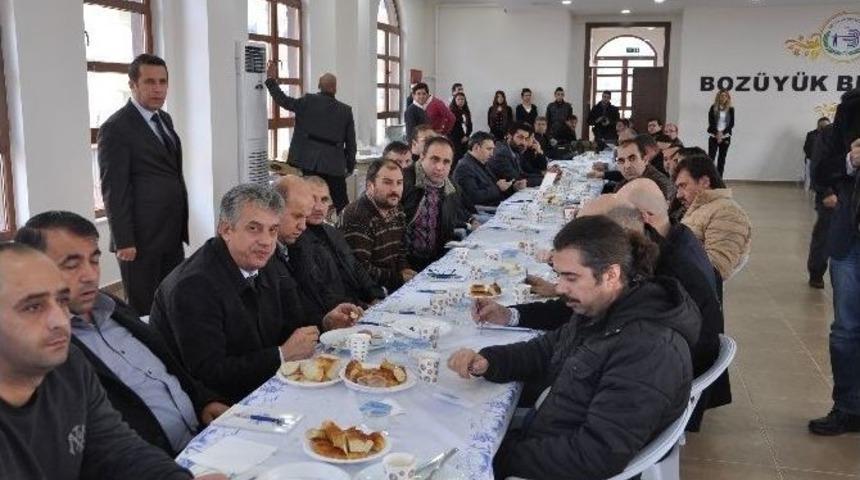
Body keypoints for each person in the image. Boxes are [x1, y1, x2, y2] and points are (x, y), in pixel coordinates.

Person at [450, 215, 699, 479]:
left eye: (570, 277)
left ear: (611, 275)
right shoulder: (605, 307)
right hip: (548, 430)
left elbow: (595, 456)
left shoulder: (649, 350)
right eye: (559, 276)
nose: (559, 287)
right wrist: (488, 362)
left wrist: (494, 455)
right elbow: (547, 349)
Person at [0, 244, 221, 480]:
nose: (59, 320)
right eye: (33, 307)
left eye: (62, 301)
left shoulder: (71, 365)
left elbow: (120, 450)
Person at [150, 184, 354, 403]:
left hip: (264, 384)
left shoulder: (265, 263)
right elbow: (209, 373)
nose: (266, 241)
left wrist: (325, 323)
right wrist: (281, 355)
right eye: (254, 228)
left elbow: (291, 322)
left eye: (273, 230)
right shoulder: (194, 286)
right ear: (226, 230)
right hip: (217, 405)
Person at [98, 53, 188, 316]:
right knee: (144, 307)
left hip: (170, 231)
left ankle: (172, 350)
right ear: (133, 85)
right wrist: (124, 239)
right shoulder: (116, 128)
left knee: (171, 297)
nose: (158, 88)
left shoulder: (164, 120)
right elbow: (114, 188)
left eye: (163, 82)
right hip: (140, 238)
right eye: (150, 82)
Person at [809, 88, 860, 436]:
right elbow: (822, 169)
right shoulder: (846, 116)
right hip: (849, 239)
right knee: (845, 330)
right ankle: (848, 407)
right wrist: (850, 162)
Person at [272, 176, 363, 329]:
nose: (302, 226)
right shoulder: (263, 256)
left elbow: (308, 302)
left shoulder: (297, 244)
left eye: (305, 218)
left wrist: (326, 321)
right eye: (297, 216)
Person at [264, 65, 356, 213]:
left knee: (308, 200)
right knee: (341, 204)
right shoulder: (345, 111)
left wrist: (270, 80)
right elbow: (351, 142)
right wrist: (350, 166)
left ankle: (308, 231)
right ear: (335, 89)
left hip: (309, 162)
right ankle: (345, 232)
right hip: (334, 165)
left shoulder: (307, 101)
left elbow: (283, 101)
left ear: (319, 86)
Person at [302, 176, 386, 306]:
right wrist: (363, 307)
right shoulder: (298, 240)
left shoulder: (331, 231)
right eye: (312, 200)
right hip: (339, 311)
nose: (319, 207)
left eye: (324, 200)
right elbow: (325, 292)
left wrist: (376, 296)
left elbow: (356, 267)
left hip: (360, 301)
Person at [339, 159, 416, 292]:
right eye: (387, 182)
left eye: (399, 183)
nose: (394, 189)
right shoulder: (357, 216)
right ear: (370, 186)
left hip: (391, 286)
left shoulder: (397, 208)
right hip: (367, 294)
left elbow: (401, 251)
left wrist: (405, 269)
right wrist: (399, 278)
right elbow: (360, 270)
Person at [675, 154, 752, 282]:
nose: (678, 195)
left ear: (705, 182)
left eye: (683, 186)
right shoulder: (701, 208)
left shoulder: (728, 213)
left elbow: (717, 269)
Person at [401, 137, 472, 270]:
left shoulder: (452, 189)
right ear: (422, 156)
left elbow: (448, 226)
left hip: (437, 261)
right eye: (434, 159)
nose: (440, 167)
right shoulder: (402, 182)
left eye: (446, 162)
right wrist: (402, 266)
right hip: (406, 263)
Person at [453, 131, 517, 208]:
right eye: (489, 149)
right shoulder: (464, 167)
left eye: (492, 149)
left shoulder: (482, 162)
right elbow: (474, 197)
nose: (492, 154)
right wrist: (498, 188)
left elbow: (492, 186)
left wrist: (512, 187)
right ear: (476, 147)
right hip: (481, 212)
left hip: (495, 206)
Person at [806, 117, 834, 288]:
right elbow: (818, 165)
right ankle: (816, 272)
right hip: (832, 197)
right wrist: (826, 191)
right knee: (824, 236)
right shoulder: (830, 133)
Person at [489, 123, 544, 188]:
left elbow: (522, 173)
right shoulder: (501, 153)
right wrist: (545, 179)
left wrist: (546, 176)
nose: (523, 142)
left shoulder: (515, 149)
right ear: (509, 136)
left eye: (526, 139)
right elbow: (517, 179)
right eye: (520, 137)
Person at [708, 89, 736, 176]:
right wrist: (717, 133)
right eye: (721, 95)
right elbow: (711, 122)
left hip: (725, 136)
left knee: (722, 159)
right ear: (718, 97)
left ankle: (719, 179)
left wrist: (722, 133)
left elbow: (731, 124)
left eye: (725, 96)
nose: (723, 97)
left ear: (728, 98)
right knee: (711, 158)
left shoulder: (731, 109)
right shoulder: (713, 108)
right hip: (714, 136)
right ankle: (710, 179)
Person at [448, 92, 473, 167]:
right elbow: (451, 127)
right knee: (456, 157)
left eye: (462, 99)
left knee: (465, 157)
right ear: (455, 100)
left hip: (465, 138)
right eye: (458, 99)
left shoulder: (466, 111)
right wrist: (459, 138)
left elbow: (469, 125)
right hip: (455, 138)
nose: (461, 101)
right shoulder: (451, 111)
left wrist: (467, 136)